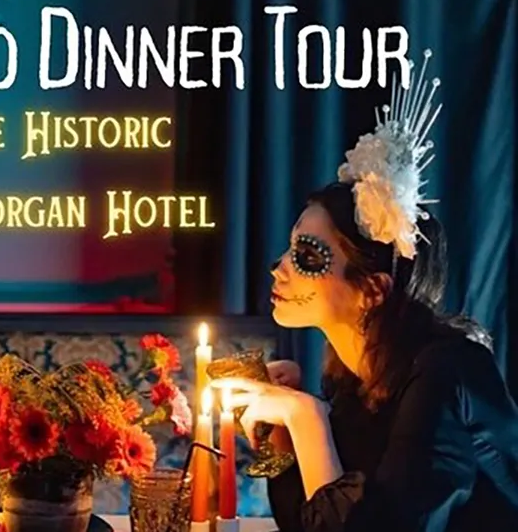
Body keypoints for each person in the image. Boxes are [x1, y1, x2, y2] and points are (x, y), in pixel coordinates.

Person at [213, 52, 518, 531]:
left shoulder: (446, 371)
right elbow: (309, 523)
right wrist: (289, 434)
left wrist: (307, 417)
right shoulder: (354, 376)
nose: (280, 266)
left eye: (307, 254)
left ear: (373, 289)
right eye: (289, 249)